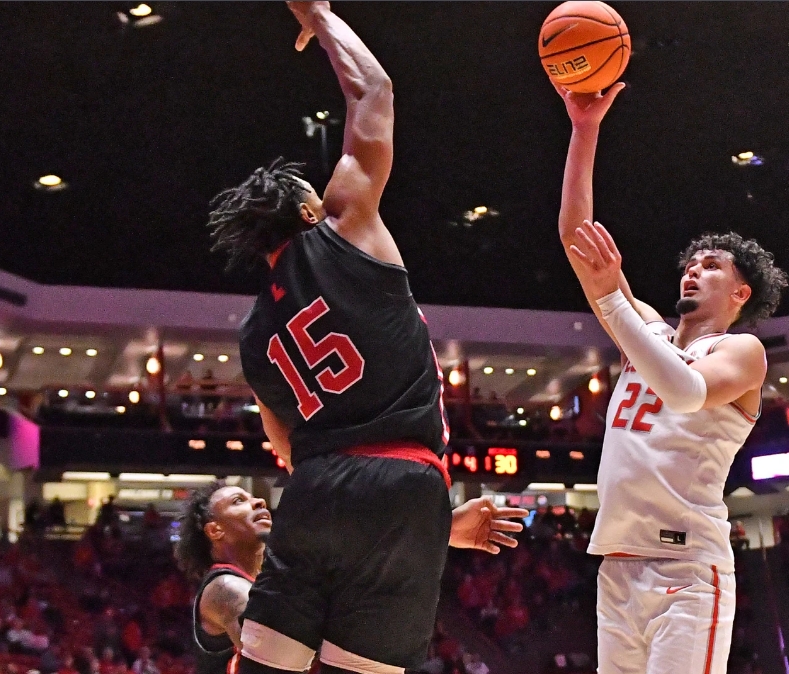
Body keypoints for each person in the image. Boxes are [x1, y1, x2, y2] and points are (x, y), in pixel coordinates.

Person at [206, 5, 528, 674]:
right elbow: (372, 92)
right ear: (304, 211)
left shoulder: (252, 333)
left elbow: (283, 446)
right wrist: (320, 15)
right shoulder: (344, 225)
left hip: (315, 487)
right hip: (402, 479)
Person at [553, 83, 788, 674]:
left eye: (712, 266)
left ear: (741, 293)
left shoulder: (742, 350)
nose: (693, 270)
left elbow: (684, 393)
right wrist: (584, 130)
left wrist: (612, 306)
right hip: (617, 563)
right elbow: (575, 237)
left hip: (687, 572)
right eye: (690, 263)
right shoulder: (650, 335)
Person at [175, 483, 274, 674]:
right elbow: (276, 664)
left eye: (252, 497)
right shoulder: (226, 588)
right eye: (238, 501)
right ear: (215, 530)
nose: (259, 502)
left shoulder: (261, 581)